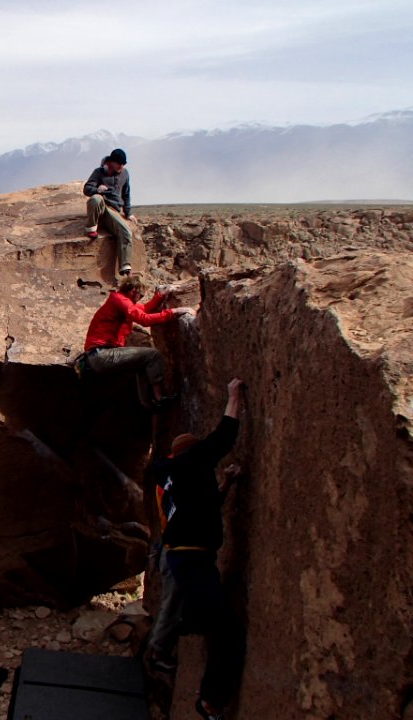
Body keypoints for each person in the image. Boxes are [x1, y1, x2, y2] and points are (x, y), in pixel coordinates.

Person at [146, 379, 247, 720]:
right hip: (191, 557)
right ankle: (209, 700)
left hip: (183, 553)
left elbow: (201, 505)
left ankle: (182, 630)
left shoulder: (173, 475)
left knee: (199, 612)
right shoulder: (193, 462)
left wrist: (227, 482)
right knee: (224, 628)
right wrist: (233, 395)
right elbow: (225, 434)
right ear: (194, 453)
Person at [79, 274, 193, 409]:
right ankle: (160, 398)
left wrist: (160, 297)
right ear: (133, 291)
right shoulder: (120, 301)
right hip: (101, 354)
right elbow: (144, 319)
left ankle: (148, 404)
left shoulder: (119, 300)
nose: (140, 299)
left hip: (97, 356)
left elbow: (143, 309)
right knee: (153, 355)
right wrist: (174, 312)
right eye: (141, 295)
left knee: (141, 363)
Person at [83, 148, 136, 275]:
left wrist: (128, 213)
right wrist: (97, 190)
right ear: (111, 162)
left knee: (126, 231)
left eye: (123, 164)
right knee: (95, 199)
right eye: (119, 163)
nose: (121, 166)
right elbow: (87, 189)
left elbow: (126, 194)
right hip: (102, 206)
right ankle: (91, 228)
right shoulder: (99, 172)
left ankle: (125, 266)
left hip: (114, 210)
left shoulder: (125, 174)